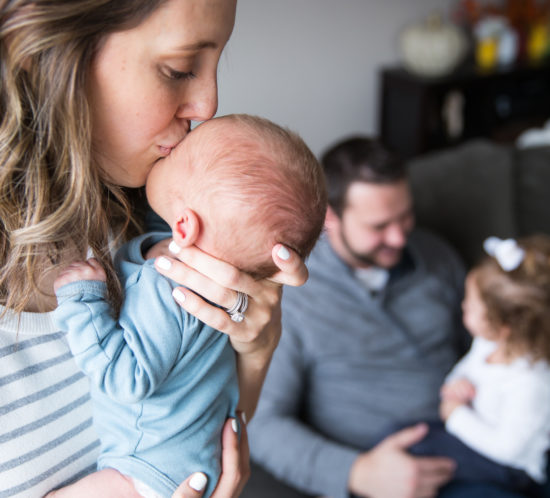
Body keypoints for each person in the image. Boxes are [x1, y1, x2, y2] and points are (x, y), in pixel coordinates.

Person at [0, 2, 310, 497]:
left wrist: (255, 346)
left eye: (214, 66)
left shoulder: (151, 226)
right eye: (179, 69)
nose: (207, 105)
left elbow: (196, 427)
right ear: (44, 54)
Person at [52, 114, 327, 498]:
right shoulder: (211, 278)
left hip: (147, 474)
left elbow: (126, 379)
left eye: (175, 158)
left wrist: (83, 301)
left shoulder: (172, 292)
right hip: (190, 463)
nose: (201, 111)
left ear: (184, 227)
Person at [248, 136, 468, 498]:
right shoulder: (293, 297)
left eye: (405, 216)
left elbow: (484, 347)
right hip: (398, 469)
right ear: (329, 216)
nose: (399, 237)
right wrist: (357, 473)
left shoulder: (436, 256)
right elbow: (262, 422)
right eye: (379, 226)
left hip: (480, 436)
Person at [406, 235, 550, 494]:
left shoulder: (531, 382)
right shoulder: (487, 343)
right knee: (399, 434)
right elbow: (466, 369)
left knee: (420, 451)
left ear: (504, 328)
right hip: (473, 433)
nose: (462, 305)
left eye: (471, 306)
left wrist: (456, 415)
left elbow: (509, 448)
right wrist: (456, 385)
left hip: (510, 467)